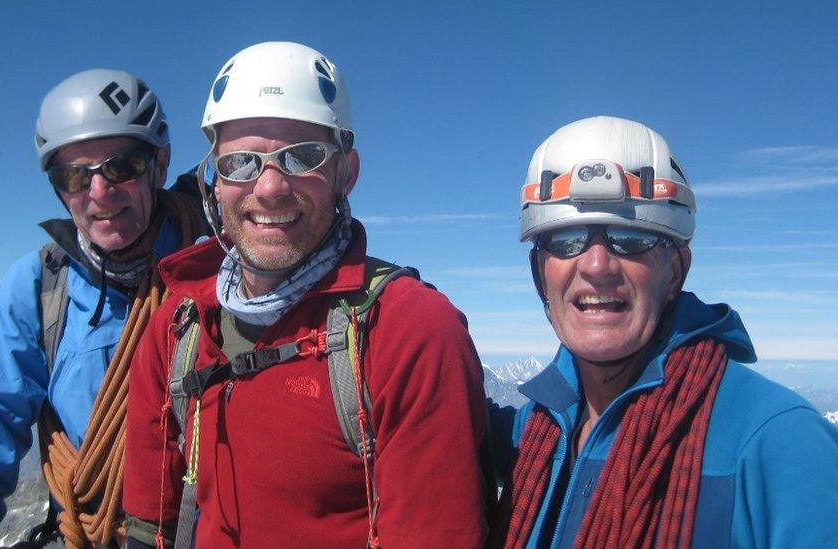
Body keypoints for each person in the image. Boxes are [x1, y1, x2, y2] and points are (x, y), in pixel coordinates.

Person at [122, 42, 488, 549]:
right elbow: (148, 526)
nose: (269, 187)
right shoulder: (175, 328)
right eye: (242, 163)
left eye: (302, 157)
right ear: (214, 182)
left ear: (347, 173)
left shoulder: (410, 332)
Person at [490, 116, 838, 548]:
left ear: (675, 271)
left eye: (629, 237)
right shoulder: (533, 431)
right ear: (538, 273)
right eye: (566, 239)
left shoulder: (777, 443)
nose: (596, 265)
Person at [0, 69, 207, 548]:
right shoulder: (39, 287)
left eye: (121, 166)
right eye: (73, 176)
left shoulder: (217, 269)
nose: (100, 193)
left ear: (160, 164)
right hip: (96, 534)